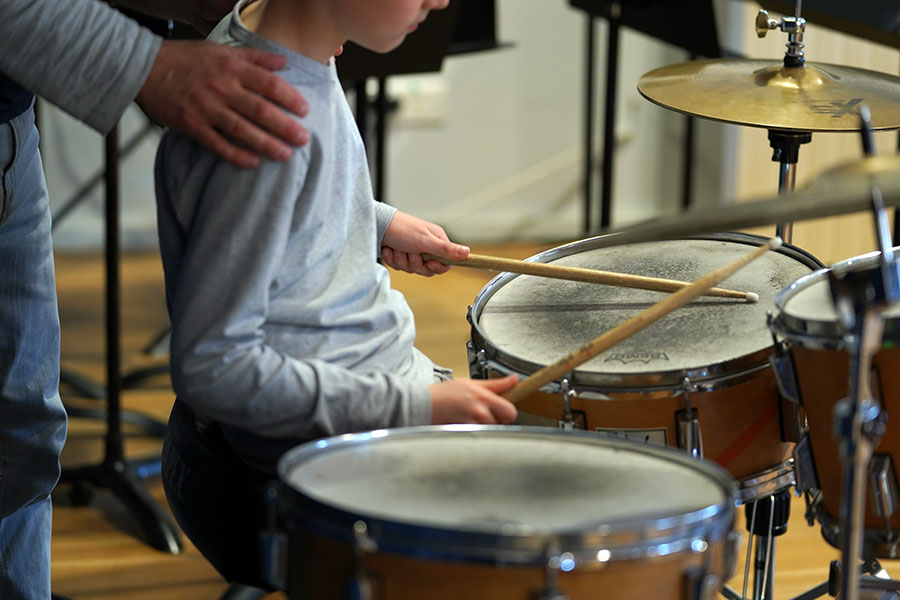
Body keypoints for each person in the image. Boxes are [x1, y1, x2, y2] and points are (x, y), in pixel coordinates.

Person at [154, 0, 519, 587]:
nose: (441, 2)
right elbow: (214, 369)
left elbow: (287, 204)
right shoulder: (263, 121)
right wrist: (415, 408)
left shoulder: (282, 43)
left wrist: (371, 222)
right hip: (329, 438)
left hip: (374, 384)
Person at [0, 1, 315, 598]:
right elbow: (215, 365)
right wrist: (147, 66)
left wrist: (375, 224)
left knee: (23, 436)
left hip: (11, 127)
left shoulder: (308, 86)